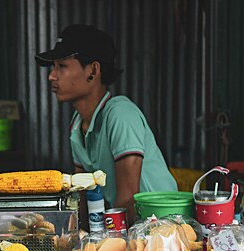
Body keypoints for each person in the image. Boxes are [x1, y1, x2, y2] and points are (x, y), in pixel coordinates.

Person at [36, 24, 177, 223]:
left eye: (62, 66)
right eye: (54, 67)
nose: (52, 75)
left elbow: (128, 200)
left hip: (162, 227)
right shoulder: (77, 126)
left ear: (93, 70)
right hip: (130, 226)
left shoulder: (120, 114)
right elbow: (83, 195)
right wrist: (79, 238)